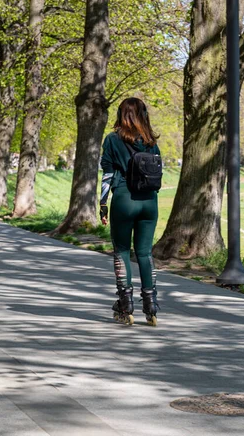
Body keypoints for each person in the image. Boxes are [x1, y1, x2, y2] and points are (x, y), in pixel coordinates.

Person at [100, 97, 162, 326]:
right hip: (149, 202)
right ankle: (151, 305)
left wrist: (103, 204)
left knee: (122, 251)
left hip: (125, 199)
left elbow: (107, 175)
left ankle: (125, 304)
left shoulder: (112, 139)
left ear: (121, 114)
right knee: (145, 253)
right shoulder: (150, 141)